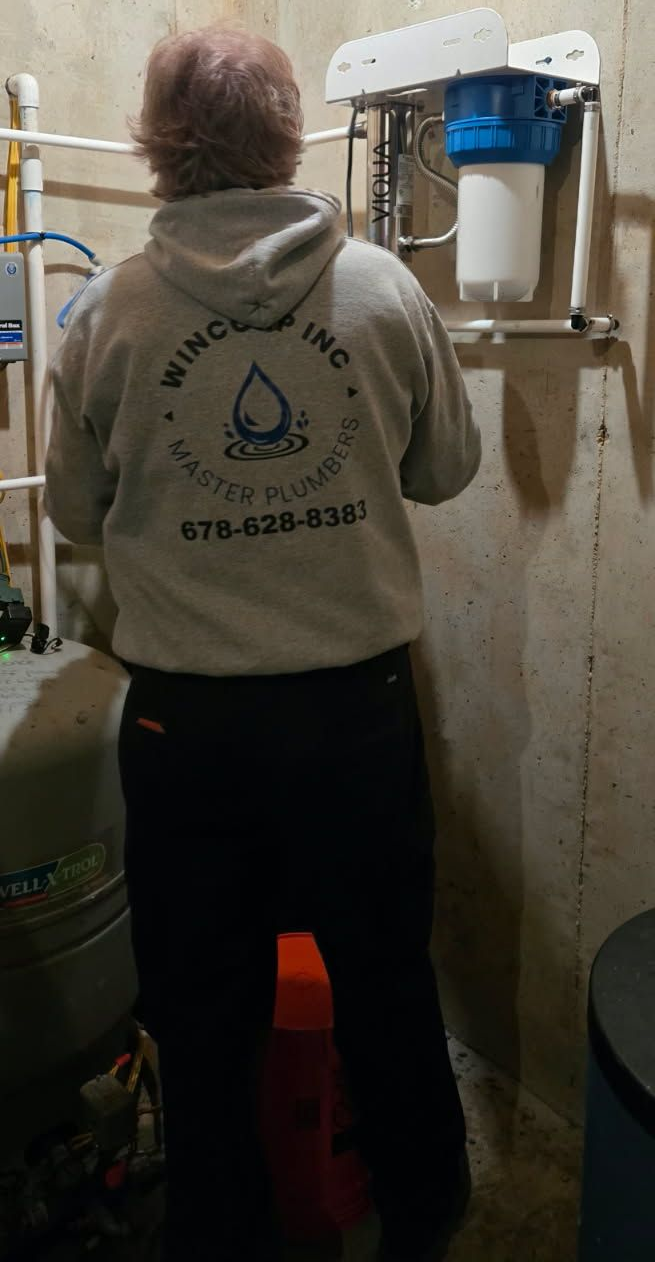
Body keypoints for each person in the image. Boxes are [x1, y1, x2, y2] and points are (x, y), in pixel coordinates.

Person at [44, 25, 481, 1262]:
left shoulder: (109, 311)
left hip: (190, 724)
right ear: (286, 133)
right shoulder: (385, 288)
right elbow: (447, 470)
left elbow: (73, 514)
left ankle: (218, 1229)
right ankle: (426, 1209)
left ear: (156, 142)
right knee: (388, 978)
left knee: (199, 1004)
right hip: (355, 710)